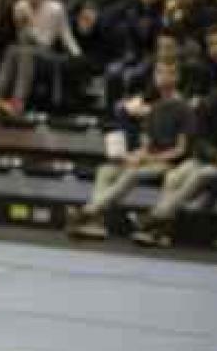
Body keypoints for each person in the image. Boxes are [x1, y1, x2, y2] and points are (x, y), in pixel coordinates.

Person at [66, 59, 193, 239]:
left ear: (177, 77)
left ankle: (88, 212)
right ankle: (95, 223)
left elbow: (180, 150)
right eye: (159, 72)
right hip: (149, 159)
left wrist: (149, 159)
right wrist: (132, 156)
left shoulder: (184, 108)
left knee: (133, 173)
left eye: (169, 73)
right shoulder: (154, 106)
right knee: (106, 171)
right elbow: (147, 144)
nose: (163, 77)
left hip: (169, 163)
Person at [130, 56, 217, 248]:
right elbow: (199, 139)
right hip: (211, 158)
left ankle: (154, 218)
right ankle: (163, 231)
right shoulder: (210, 102)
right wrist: (216, 155)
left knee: (201, 174)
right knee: (174, 176)